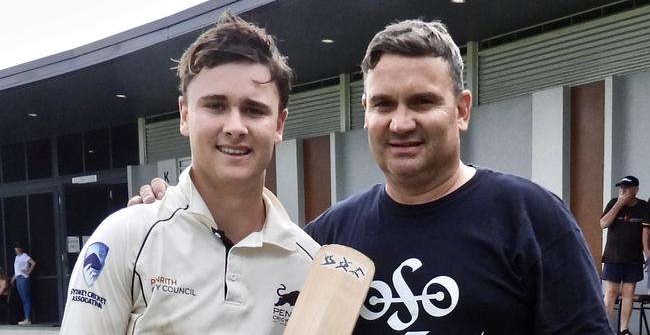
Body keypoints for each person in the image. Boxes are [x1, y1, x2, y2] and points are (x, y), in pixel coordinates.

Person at [135, 19, 612, 333]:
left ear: (461, 111)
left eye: (423, 102)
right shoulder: (326, 239)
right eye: (384, 104)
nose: (400, 122)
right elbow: (234, 296)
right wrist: (173, 221)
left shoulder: (528, 218)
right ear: (364, 112)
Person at [60, 12, 319, 334]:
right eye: (215, 106)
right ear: (185, 115)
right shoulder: (125, 238)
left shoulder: (309, 265)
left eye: (254, 110)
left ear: (279, 123)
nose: (235, 127)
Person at [600, 175, 650, 335]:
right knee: (611, 293)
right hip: (613, 256)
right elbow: (603, 223)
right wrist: (619, 203)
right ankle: (605, 328)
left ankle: (624, 329)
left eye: (626, 188)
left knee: (628, 293)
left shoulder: (643, 206)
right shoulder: (614, 203)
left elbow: (646, 231)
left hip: (633, 257)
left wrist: (646, 252)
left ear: (635, 190)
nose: (623, 190)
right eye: (621, 187)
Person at [11, 242, 36, 326]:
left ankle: (28, 318)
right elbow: (17, 270)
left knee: (26, 298)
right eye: (15, 248)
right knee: (23, 299)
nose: (16, 249)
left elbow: (33, 263)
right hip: (18, 278)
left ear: (21, 249)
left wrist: (28, 271)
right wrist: (13, 279)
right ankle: (26, 317)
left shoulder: (24, 256)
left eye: (18, 248)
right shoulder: (16, 258)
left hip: (23, 277)